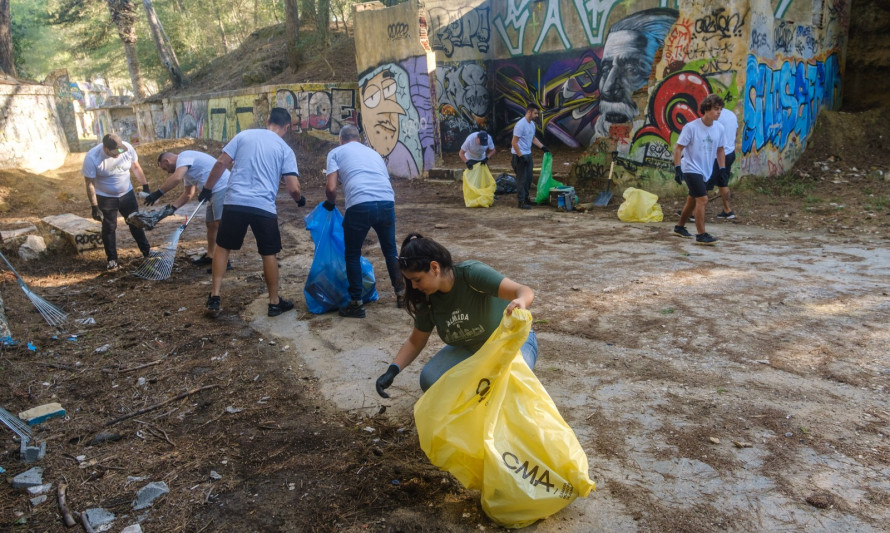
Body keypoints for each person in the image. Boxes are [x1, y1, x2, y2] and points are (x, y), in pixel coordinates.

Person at [375, 233, 538, 397]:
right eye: (409, 280)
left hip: (511, 341)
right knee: (429, 380)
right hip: (471, 348)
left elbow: (524, 290)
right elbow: (416, 341)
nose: (414, 286)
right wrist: (392, 370)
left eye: (417, 279)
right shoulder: (426, 297)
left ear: (434, 267)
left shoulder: (471, 274)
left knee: (511, 382)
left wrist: (522, 301)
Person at [197, 107, 306, 318]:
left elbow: (221, 163)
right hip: (263, 206)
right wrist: (299, 199)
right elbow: (293, 187)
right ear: (287, 127)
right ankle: (274, 302)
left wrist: (207, 189)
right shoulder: (285, 149)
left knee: (223, 247)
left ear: (267, 120)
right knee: (268, 253)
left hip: (235, 202)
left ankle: (215, 296)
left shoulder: (244, 135)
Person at [323, 124, 406, 318]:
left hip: (360, 204)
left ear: (341, 139)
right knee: (390, 250)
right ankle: (401, 294)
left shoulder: (336, 152)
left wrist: (330, 203)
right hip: (386, 201)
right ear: (358, 139)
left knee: (352, 254)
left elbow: (331, 187)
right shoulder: (374, 154)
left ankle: (356, 304)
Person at [149, 150, 232, 271]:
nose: (167, 172)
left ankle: (224, 262)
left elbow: (176, 178)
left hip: (222, 187)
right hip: (211, 192)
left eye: (165, 168)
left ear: (167, 161)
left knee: (220, 224)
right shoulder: (186, 169)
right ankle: (211, 255)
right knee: (211, 224)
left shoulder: (184, 157)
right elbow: (188, 194)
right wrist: (172, 208)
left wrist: (158, 193)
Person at [82, 133, 152, 271]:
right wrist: (94, 206)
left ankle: (147, 252)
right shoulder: (92, 158)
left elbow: (136, 167)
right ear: (106, 149)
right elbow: (89, 183)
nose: (118, 155)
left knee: (136, 223)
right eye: (114, 152)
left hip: (127, 194)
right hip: (105, 197)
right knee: (109, 228)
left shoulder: (127, 148)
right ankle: (112, 260)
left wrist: (145, 185)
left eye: (120, 151)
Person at [673, 94, 726, 246]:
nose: (719, 112)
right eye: (716, 109)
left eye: (720, 110)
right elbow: (678, 148)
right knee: (702, 199)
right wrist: (678, 168)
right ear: (706, 109)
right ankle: (701, 234)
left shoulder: (719, 128)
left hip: (706, 170)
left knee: (692, 200)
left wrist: (722, 169)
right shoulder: (691, 127)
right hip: (690, 167)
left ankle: (679, 227)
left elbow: (721, 150)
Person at [511, 104, 548, 209]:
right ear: (529, 112)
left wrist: (543, 147)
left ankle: (526, 198)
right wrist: (520, 156)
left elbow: (533, 138)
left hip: (528, 153)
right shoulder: (520, 125)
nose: (537, 115)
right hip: (519, 155)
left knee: (528, 178)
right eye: (535, 113)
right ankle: (521, 202)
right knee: (521, 179)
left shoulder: (531, 124)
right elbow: (514, 142)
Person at [712, 103, 738, 219]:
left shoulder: (715, 118)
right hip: (730, 153)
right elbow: (736, 132)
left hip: (718, 155)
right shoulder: (732, 115)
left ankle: (691, 212)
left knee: (701, 182)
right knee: (723, 182)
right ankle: (728, 210)